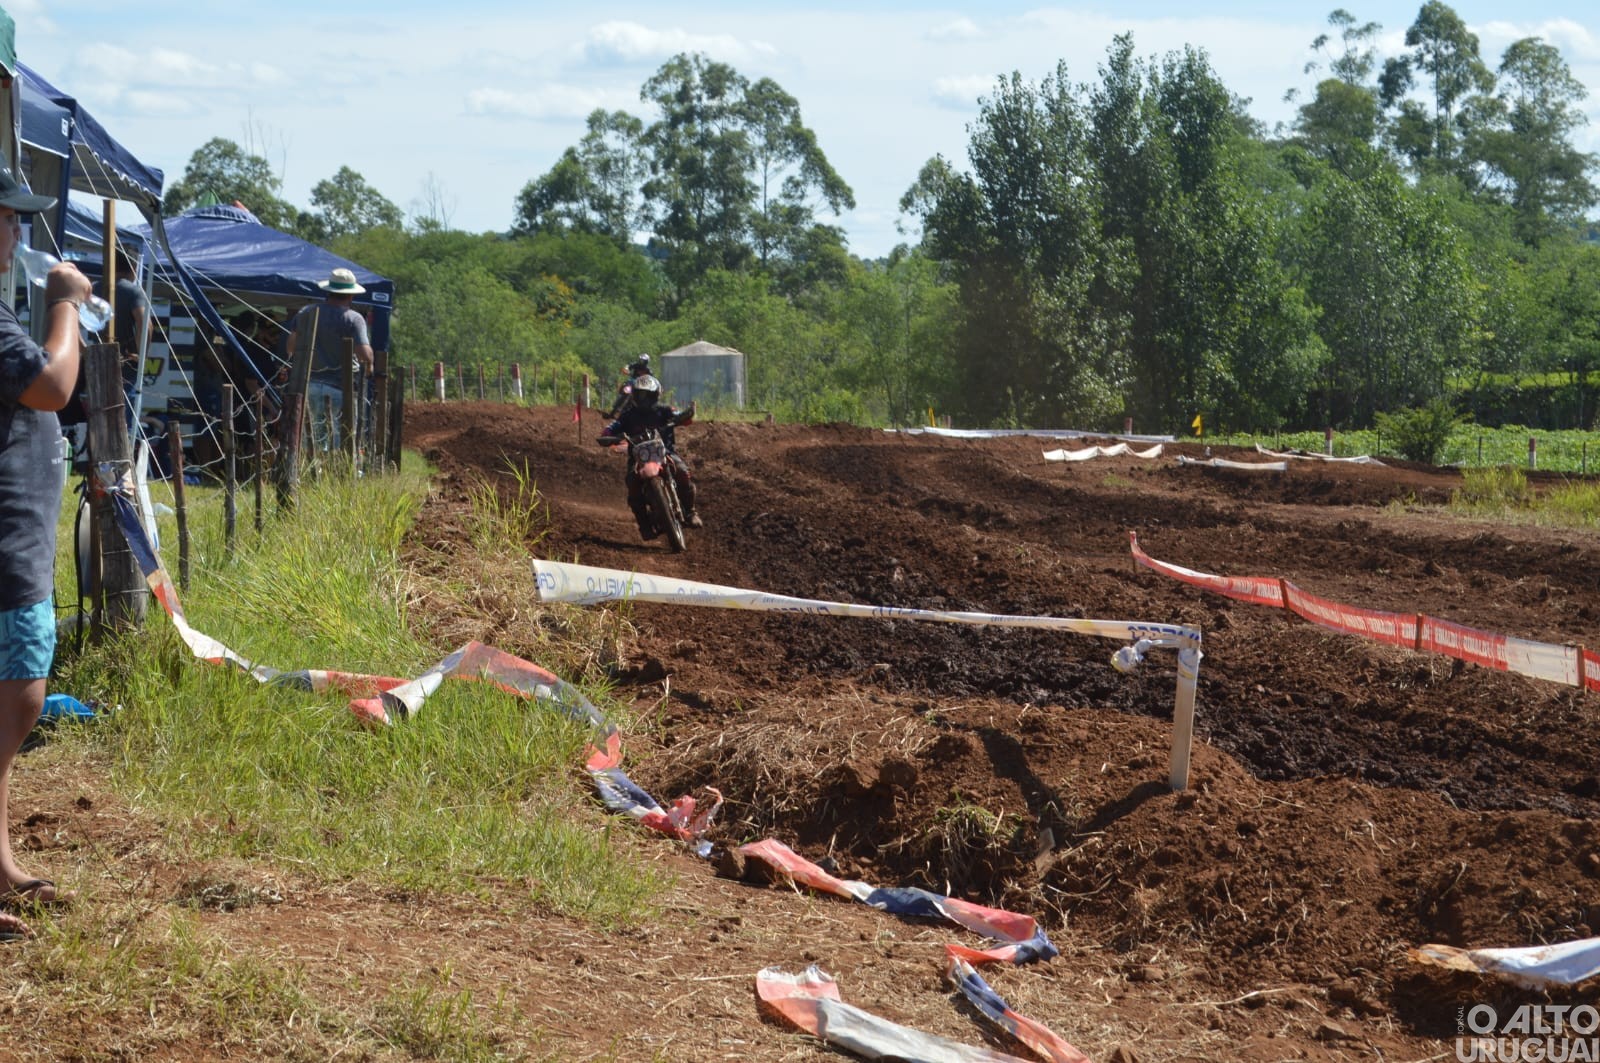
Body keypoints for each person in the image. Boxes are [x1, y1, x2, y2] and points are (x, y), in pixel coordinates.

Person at [0, 164, 92, 937]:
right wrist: (65, 305)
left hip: (13, 544)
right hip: (5, 553)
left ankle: (1, 866)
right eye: (11, 218)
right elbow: (54, 385)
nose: (19, 234)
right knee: (14, 707)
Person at [596, 373, 703, 539]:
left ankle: (690, 512)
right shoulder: (628, 415)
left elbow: (680, 416)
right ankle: (644, 524)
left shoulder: (664, 411)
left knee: (682, 472)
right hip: (638, 458)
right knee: (633, 483)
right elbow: (611, 427)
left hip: (665, 452)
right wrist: (608, 435)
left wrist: (684, 417)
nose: (644, 400)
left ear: (656, 395)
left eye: (648, 396)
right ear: (634, 396)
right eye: (640, 395)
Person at [281, 268, 373, 449]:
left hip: (310, 384)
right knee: (340, 439)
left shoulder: (306, 312)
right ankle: (337, 474)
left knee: (313, 436)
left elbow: (290, 347)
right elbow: (364, 353)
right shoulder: (354, 319)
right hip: (340, 387)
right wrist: (370, 364)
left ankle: (312, 474)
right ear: (351, 295)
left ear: (329, 291)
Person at [606, 353, 653, 418]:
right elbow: (628, 366)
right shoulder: (636, 365)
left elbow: (651, 379)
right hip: (632, 382)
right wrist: (626, 369)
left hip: (640, 386)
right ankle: (615, 409)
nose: (641, 362)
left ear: (646, 362)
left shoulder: (648, 370)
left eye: (643, 361)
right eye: (641, 360)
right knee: (624, 390)